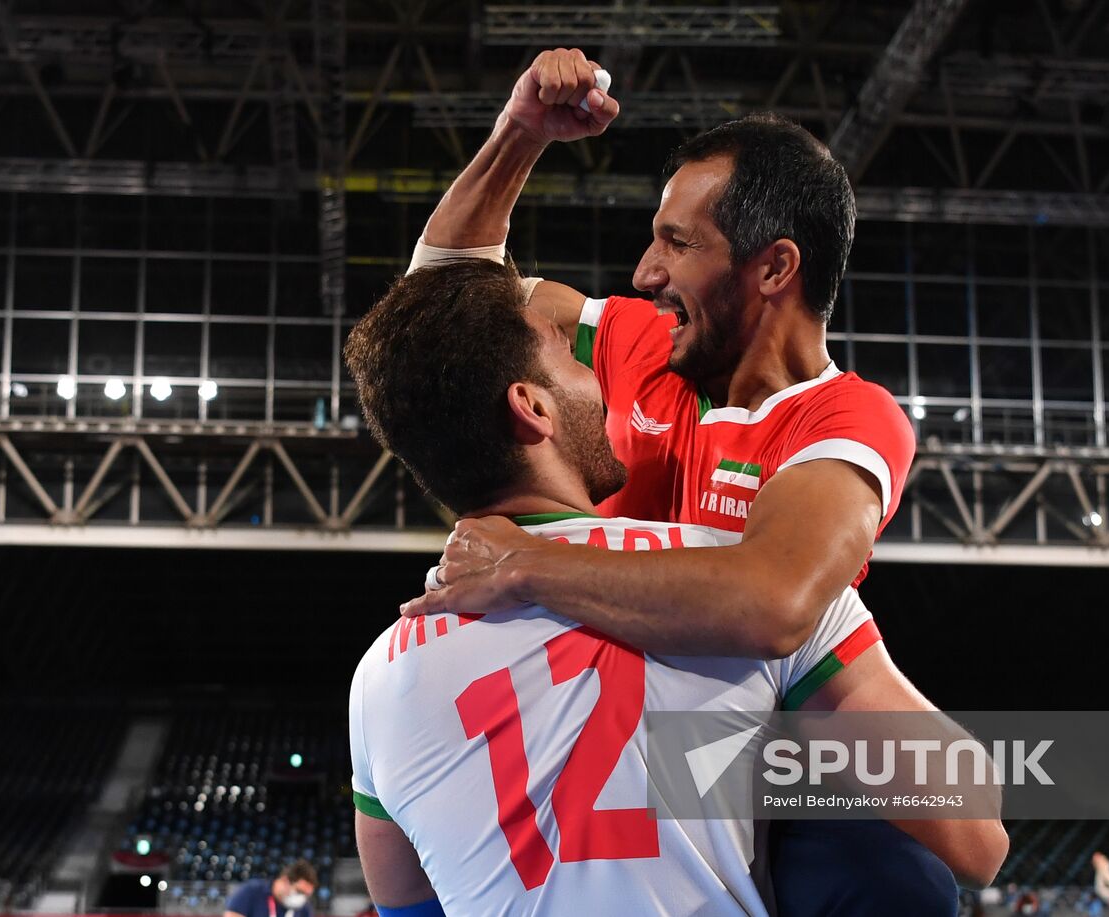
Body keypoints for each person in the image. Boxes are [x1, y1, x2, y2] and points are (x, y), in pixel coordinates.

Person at [396, 47, 997, 913]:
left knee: (898, 877)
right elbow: (445, 315)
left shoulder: (846, 421)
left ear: (775, 268)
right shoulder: (643, 341)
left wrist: (525, 564)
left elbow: (774, 600)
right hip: (596, 743)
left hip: (729, 764)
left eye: (677, 243)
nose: (644, 271)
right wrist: (519, 133)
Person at [343, 261, 1003, 916]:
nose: (597, 380)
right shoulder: (750, 582)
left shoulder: (381, 675)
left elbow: (406, 906)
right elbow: (976, 836)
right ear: (533, 408)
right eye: (571, 361)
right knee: (901, 878)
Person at [223, 861, 317, 917]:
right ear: (285, 881)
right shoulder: (251, 891)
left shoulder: (304, 909)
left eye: (306, 895)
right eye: (299, 891)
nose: (302, 898)